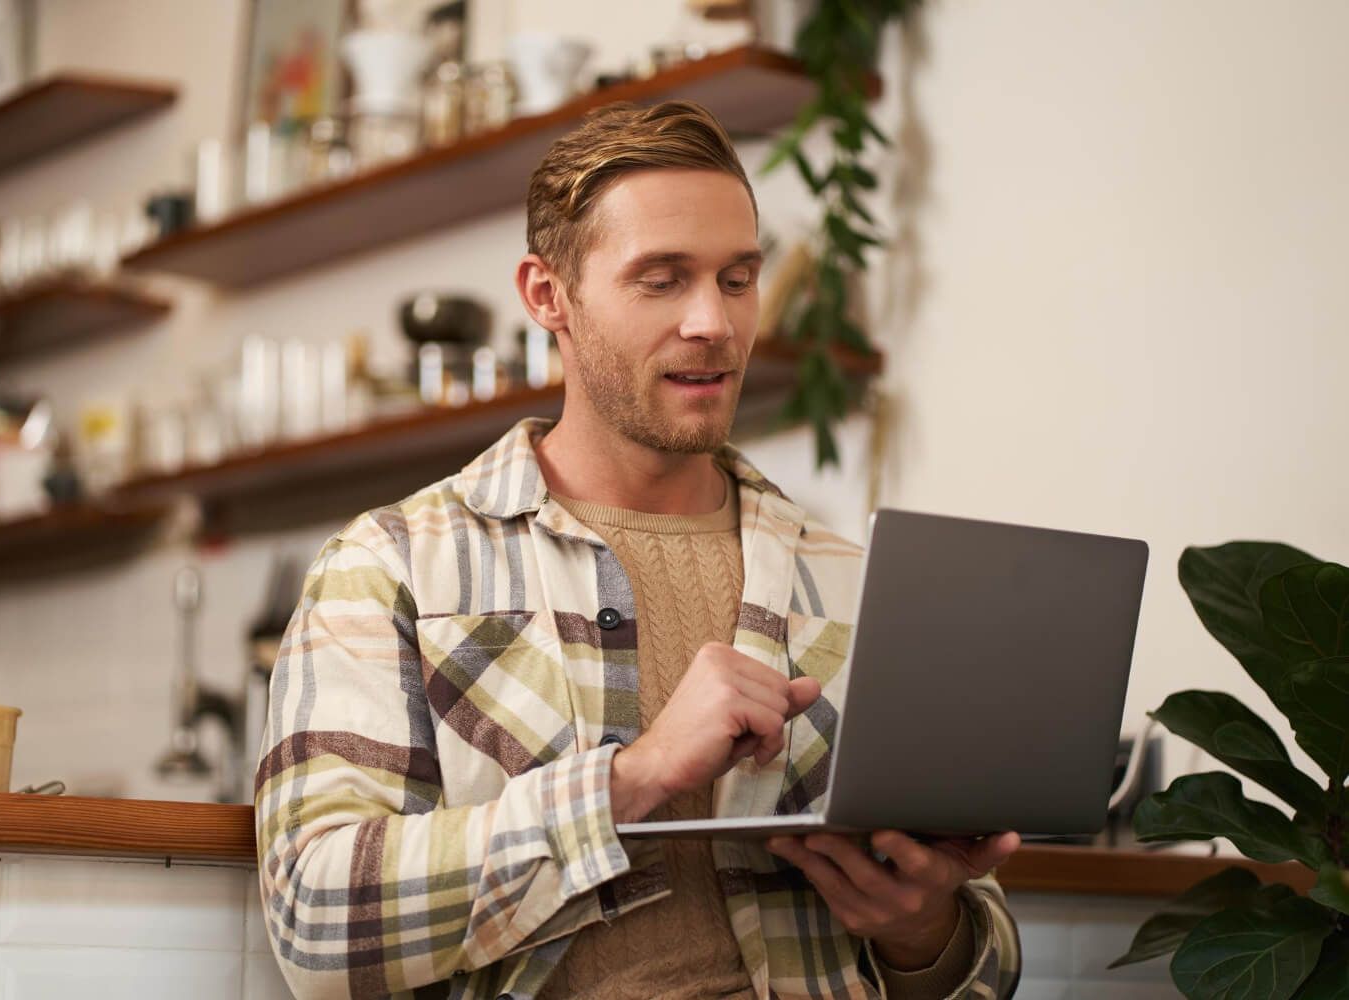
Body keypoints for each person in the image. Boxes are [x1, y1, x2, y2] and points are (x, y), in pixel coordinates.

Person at [255, 99, 1022, 1000]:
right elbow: (317, 924)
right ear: (548, 296)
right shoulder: (389, 566)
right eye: (662, 279)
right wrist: (633, 778)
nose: (714, 323)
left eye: (738, 279)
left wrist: (923, 928)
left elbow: (990, 968)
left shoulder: (855, 583)